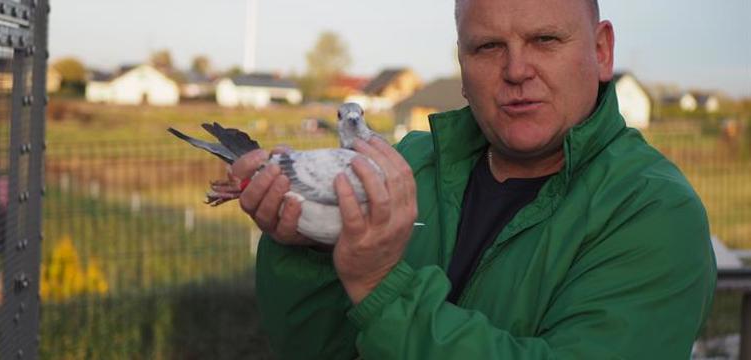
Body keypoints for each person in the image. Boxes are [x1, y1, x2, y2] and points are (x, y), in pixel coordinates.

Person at [230, 0, 717, 358]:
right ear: (461, 65)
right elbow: (314, 348)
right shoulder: (405, 168)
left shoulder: (653, 210)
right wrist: (308, 248)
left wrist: (381, 285)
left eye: (544, 40)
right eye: (487, 47)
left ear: (601, 51)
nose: (516, 70)